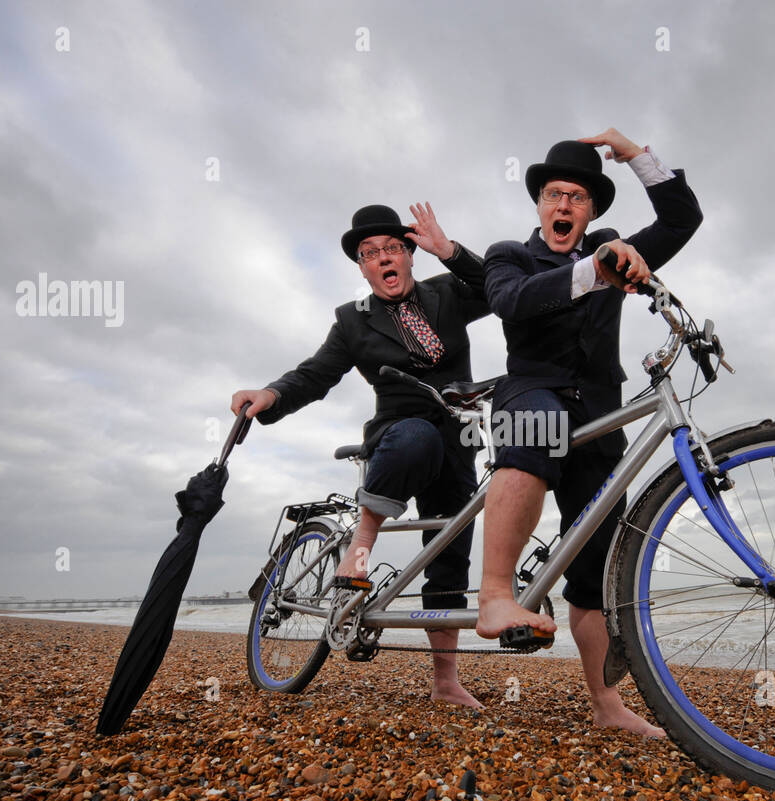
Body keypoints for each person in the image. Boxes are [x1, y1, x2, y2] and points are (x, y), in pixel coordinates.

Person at [476, 129, 703, 737]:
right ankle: (496, 594)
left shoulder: (612, 246)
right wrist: (593, 271)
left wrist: (637, 157)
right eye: (554, 194)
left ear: (591, 209)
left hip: (600, 410)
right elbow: (512, 303)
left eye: (577, 197)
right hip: (531, 388)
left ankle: (607, 708)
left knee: (598, 569)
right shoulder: (509, 254)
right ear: (540, 203)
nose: (564, 206)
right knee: (533, 429)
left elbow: (682, 221)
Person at [231, 203, 489, 709]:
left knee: (449, 551)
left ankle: (445, 681)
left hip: (459, 435)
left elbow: (496, 288)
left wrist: (452, 251)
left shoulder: (447, 294)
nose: (382, 259)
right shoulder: (353, 321)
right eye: (370, 254)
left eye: (392, 248)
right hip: (400, 434)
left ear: (410, 255)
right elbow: (316, 373)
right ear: (362, 268)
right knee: (418, 437)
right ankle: (362, 541)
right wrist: (272, 395)